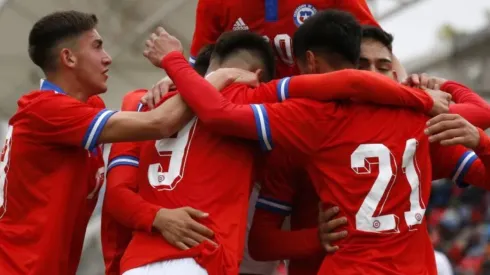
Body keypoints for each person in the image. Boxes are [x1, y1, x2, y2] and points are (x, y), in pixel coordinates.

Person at [150, 10, 490, 275]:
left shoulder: (310, 119)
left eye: (383, 65)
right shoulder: (421, 110)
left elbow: (218, 112)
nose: (371, 74)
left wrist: (179, 64)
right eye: (362, 64)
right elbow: (263, 241)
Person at [0, 10, 247, 275]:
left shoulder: (86, 109)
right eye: (97, 47)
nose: (107, 58)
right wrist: (214, 77)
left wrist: (171, 83)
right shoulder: (47, 110)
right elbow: (160, 122)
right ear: (68, 58)